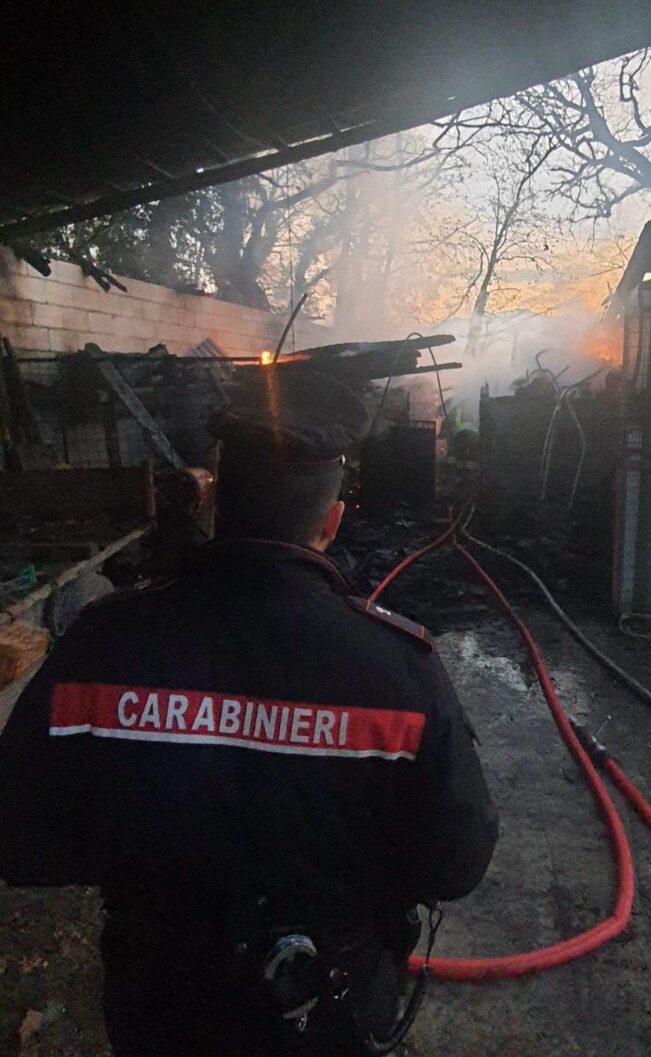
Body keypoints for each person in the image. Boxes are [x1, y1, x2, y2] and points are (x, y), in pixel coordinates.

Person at [0, 368, 498, 1057]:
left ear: (212, 504)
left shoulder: (101, 643)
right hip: (329, 1006)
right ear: (331, 519)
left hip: (159, 1004)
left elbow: (21, 838)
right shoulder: (401, 669)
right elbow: (457, 860)